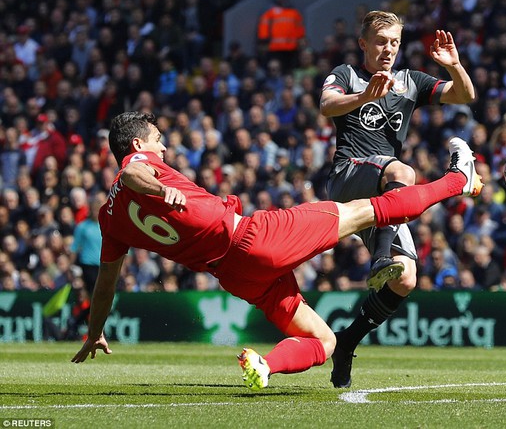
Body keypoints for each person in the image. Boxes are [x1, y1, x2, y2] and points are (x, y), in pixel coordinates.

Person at [71, 111, 482, 390]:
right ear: (139, 142)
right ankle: (456, 181)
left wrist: (94, 332)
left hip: (233, 274)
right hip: (253, 238)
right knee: (364, 211)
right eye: (158, 142)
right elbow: (133, 173)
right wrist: (161, 189)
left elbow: (106, 283)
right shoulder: (138, 165)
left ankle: (266, 366)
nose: (163, 150)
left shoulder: (110, 221)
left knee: (324, 341)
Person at [319, 10, 476, 388]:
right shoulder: (346, 74)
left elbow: (465, 95)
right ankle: (379, 258)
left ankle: (347, 341)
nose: (388, 49)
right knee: (403, 172)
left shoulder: (411, 82)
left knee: (405, 280)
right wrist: (362, 96)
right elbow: (326, 104)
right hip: (349, 175)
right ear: (364, 44)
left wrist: (454, 66)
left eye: (395, 42)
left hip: (385, 196)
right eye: (381, 41)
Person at [256, 0, 305, 73]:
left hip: (292, 49)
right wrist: (263, 43)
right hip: (274, 48)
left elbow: (300, 30)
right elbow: (263, 29)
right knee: (275, 71)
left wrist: (300, 41)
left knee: (290, 72)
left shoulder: (294, 12)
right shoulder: (269, 12)